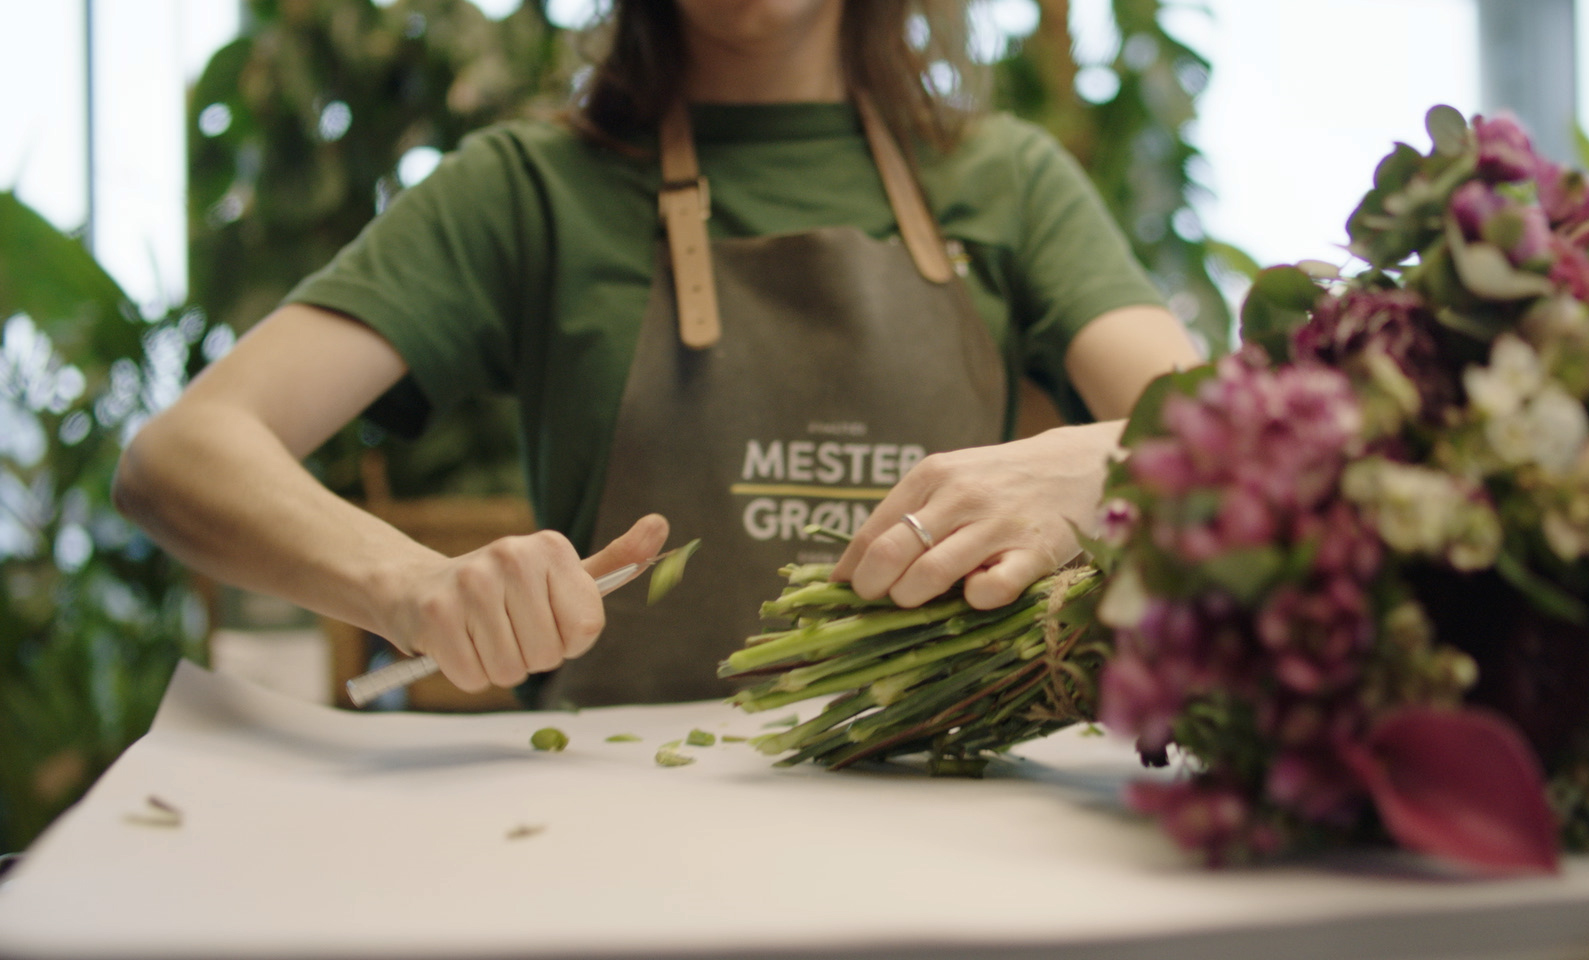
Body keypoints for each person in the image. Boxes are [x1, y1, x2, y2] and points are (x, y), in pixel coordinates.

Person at [113, 0, 1198, 706]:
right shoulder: (527, 189)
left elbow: (1227, 439)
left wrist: (1098, 465)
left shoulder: (1009, 179)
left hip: (940, 813)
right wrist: (411, 586)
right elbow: (184, 454)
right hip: (603, 832)